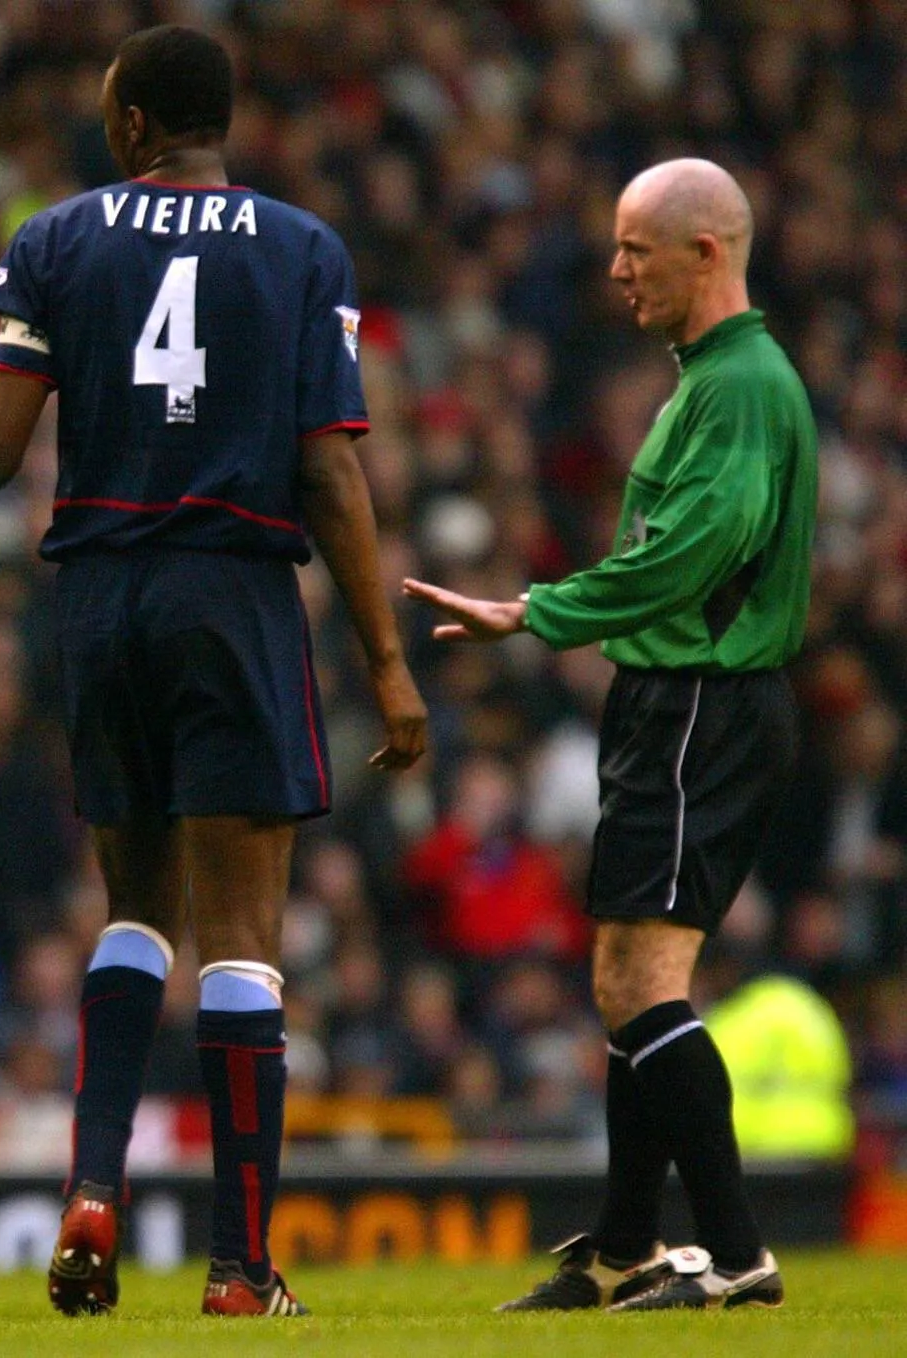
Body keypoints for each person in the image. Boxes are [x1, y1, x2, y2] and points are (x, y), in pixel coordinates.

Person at [0, 23, 426, 1319]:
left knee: (133, 910)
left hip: (96, 598)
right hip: (232, 590)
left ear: (136, 122)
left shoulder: (56, 239)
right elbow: (328, 468)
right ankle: (238, 1265)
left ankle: (91, 1183)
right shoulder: (306, 249)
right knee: (243, 934)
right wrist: (384, 658)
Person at [405, 158, 817, 1312]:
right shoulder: (712, 378)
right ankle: (630, 1244)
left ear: (707, 252)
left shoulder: (739, 384)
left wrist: (538, 610)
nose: (617, 269)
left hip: (703, 701)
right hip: (674, 702)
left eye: (638, 248)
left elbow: (699, 549)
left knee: (644, 978)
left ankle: (737, 1254)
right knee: (624, 977)